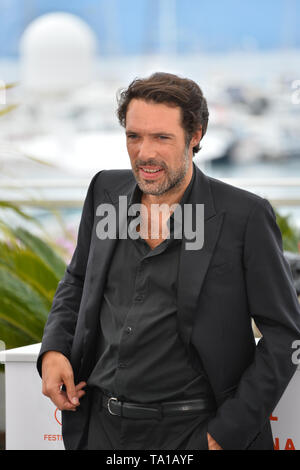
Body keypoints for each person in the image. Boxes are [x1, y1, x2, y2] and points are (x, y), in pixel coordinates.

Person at [37, 72, 300, 451]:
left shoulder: (245, 216)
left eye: (162, 137)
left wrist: (223, 435)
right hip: (100, 428)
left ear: (195, 136)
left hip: (194, 431)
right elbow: (77, 280)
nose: (145, 153)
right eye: (134, 136)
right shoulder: (103, 192)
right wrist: (54, 350)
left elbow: (284, 334)